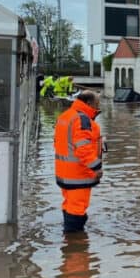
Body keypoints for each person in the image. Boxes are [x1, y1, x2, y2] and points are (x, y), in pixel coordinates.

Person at [54, 90, 103, 233]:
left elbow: (58, 143)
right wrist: (96, 167)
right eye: (97, 103)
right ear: (88, 103)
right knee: (77, 210)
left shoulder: (66, 115)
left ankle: (70, 241)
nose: (98, 105)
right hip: (78, 175)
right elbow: (83, 148)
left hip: (64, 173)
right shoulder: (82, 119)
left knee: (69, 205)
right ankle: (75, 248)